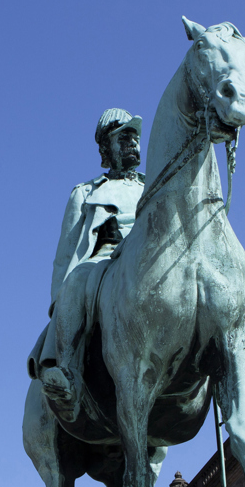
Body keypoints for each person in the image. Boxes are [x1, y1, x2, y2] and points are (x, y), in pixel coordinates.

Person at [28, 108, 145, 419]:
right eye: (124, 137)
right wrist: (59, 301)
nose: (133, 142)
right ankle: (66, 371)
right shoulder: (86, 193)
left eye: (135, 136)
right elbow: (65, 254)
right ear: (106, 149)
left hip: (152, 254)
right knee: (76, 280)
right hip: (106, 261)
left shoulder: (155, 185)